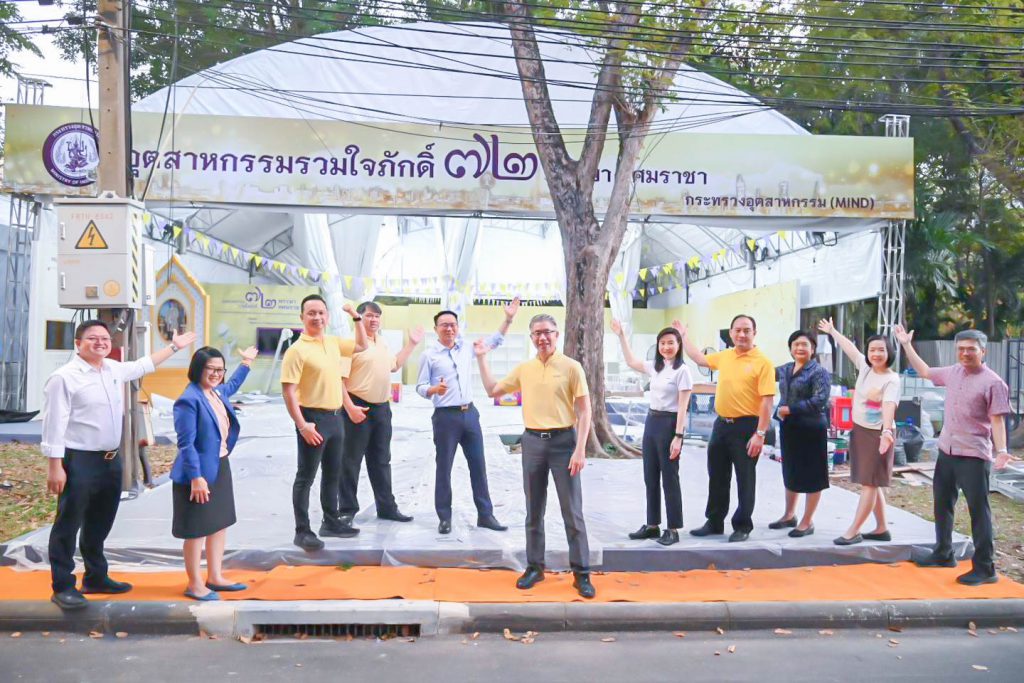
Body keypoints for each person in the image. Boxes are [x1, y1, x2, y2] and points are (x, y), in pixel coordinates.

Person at [42, 320, 197, 610]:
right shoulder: (64, 378)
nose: (100, 342)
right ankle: (62, 585)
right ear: (78, 343)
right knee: (69, 522)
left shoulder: (112, 369)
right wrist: (55, 465)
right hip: (79, 460)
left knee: (100, 521)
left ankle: (96, 577)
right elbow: (54, 424)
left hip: (110, 459)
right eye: (92, 338)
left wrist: (174, 346)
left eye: (104, 338)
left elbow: (142, 365)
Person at [476, 314, 596, 599]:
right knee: (534, 510)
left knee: (572, 511)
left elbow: (584, 410)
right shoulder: (524, 369)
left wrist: (580, 449)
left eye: (548, 332)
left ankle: (582, 573)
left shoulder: (571, 367)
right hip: (532, 442)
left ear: (556, 335)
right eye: (537, 333)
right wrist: (481, 358)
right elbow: (493, 390)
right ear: (531, 337)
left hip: (564, 442)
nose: (542, 337)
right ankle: (534, 567)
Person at [896, 325, 1020, 585]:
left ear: (983, 351)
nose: (965, 353)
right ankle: (943, 552)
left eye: (971, 349)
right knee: (942, 504)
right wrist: (907, 345)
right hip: (947, 451)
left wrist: (1002, 451)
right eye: (961, 349)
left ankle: (986, 568)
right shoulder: (953, 373)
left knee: (979, 511)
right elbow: (926, 371)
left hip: (974, 456)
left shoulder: (994, 383)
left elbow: (997, 421)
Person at [416, 299, 520, 534]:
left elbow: (494, 341)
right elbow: (420, 386)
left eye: (453, 324)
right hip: (445, 418)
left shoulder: (466, 348)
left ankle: (485, 514)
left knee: (478, 465)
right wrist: (433, 390)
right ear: (436, 330)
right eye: (444, 325)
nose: (449, 329)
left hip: (470, 415)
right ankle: (444, 517)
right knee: (444, 467)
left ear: (458, 327)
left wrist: (508, 319)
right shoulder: (429, 355)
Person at [171, 345, 257, 601]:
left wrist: (246, 364)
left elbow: (231, 386)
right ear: (198, 368)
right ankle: (195, 584)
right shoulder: (189, 400)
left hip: (219, 466)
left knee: (218, 525)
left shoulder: (216, 393)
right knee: (197, 530)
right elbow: (186, 444)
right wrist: (196, 478)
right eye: (212, 369)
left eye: (220, 369)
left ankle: (215, 576)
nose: (217, 374)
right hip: (197, 474)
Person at [679, 315, 776, 542]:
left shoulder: (763, 363)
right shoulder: (725, 356)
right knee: (717, 475)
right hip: (721, 425)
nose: (742, 334)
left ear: (755, 333)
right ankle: (714, 521)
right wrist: (683, 336)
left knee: (745, 477)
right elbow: (700, 359)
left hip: (747, 427)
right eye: (738, 330)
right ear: (731, 333)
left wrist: (760, 434)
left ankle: (743, 525)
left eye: (747, 330)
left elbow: (767, 402)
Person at [281, 295, 367, 552]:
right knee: (305, 476)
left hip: (335, 417)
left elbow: (362, 345)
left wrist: (356, 316)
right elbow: (288, 392)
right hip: (312, 418)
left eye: (321, 313)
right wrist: (302, 425)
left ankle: (330, 522)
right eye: (311, 313)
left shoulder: (331, 342)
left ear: (328, 316)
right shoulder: (297, 350)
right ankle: (302, 530)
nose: (317, 317)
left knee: (333, 473)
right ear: (302, 318)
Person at [339, 301, 422, 524]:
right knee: (350, 460)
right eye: (369, 316)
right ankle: (346, 509)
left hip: (382, 409)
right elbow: (340, 380)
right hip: (358, 406)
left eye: (377, 316)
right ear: (359, 318)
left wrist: (412, 344)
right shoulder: (350, 344)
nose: (374, 320)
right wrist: (350, 408)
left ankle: (386, 507)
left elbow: (394, 365)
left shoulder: (382, 342)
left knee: (381, 460)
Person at [818, 318, 899, 546]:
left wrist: (886, 433)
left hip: (879, 434)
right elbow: (850, 349)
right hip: (861, 431)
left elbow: (889, 406)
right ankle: (882, 528)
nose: (876, 354)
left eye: (881, 350)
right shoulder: (865, 368)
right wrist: (833, 331)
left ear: (889, 352)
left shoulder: (891, 379)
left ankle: (853, 530)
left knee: (869, 484)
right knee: (870, 481)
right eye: (872, 350)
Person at [611, 320, 693, 546]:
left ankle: (673, 528)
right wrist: (621, 336)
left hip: (669, 425)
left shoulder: (682, 371)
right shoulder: (656, 367)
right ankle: (652, 525)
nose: (666, 347)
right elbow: (630, 361)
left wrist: (678, 437)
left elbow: (683, 407)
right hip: (652, 422)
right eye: (662, 343)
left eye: (671, 343)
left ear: (678, 345)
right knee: (650, 477)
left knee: (670, 477)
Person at [769, 330, 832, 537]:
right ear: (790, 348)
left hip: (812, 428)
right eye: (795, 344)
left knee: (812, 475)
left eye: (804, 344)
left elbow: (820, 400)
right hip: (790, 428)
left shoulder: (818, 372)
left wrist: (791, 409)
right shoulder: (787, 369)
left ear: (812, 349)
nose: (800, 348)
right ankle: (789, 515)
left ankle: (807, 521)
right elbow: (764, 372)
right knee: (791, 471)